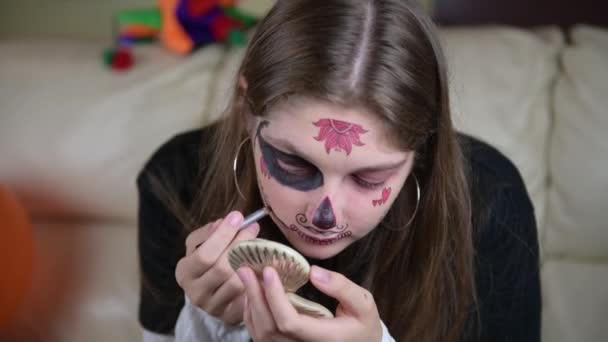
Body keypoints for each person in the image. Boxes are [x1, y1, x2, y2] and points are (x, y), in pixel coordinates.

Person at [137, 0, 541, 341]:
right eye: (294, 163)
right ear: (246, 108)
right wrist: (206, 323)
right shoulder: (177, 178)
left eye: (369, 178)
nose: (324, 215)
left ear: (422, 148)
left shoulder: (489, 200)